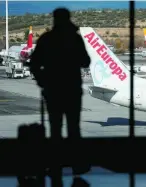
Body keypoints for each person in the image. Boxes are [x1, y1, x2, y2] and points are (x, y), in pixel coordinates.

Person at [29, 8, 91, 141]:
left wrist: (42, 81)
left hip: (53, 90)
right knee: (74, 128)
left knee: (55, 128)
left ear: (55, 19)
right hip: (72, 90)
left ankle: (56, 158)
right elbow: (86, 62)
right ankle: (75, 159)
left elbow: (34, 64)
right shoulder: (75, 38)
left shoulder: (46, 39)